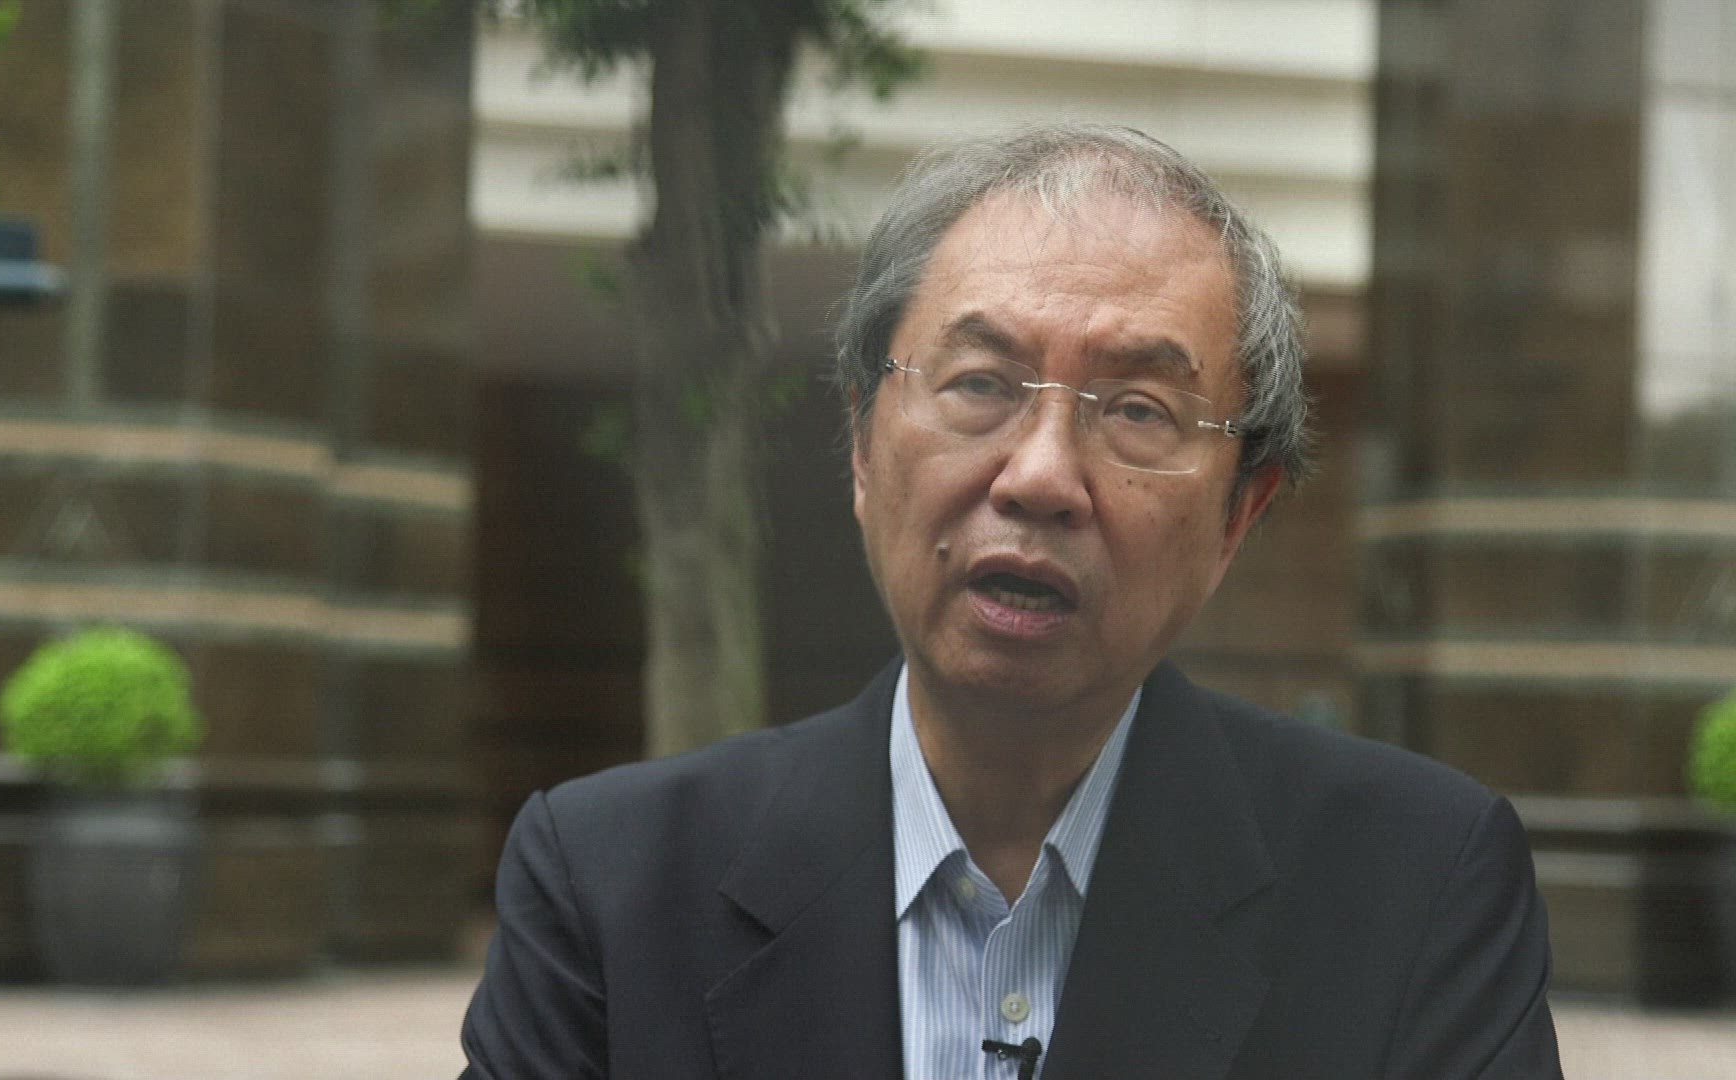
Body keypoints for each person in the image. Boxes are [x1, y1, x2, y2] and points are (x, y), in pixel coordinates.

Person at [459, 124, 1562, 1079]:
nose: (1039, 477)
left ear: (1240, 514)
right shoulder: (607, 887)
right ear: (860, 443)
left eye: (1137, 410)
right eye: (980, 384)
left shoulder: (1420, 890)